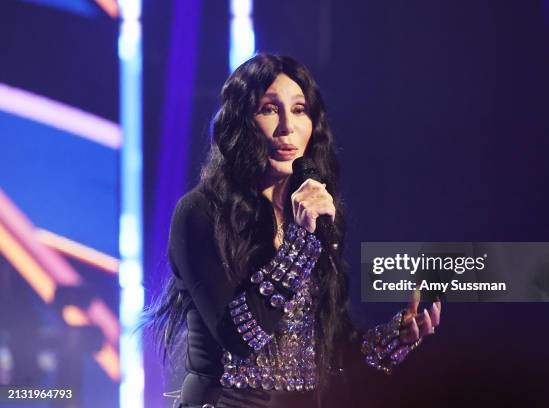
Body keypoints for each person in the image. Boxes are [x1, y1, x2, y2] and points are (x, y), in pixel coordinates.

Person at [145, 53, 441, 408]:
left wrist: (394, 338)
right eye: (269, 109)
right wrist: (301, 241)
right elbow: (240, 336)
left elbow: (326, 348)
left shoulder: (312, 212)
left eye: (299, 110)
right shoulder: (200, 212)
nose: (287, 126)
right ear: (241, 123)